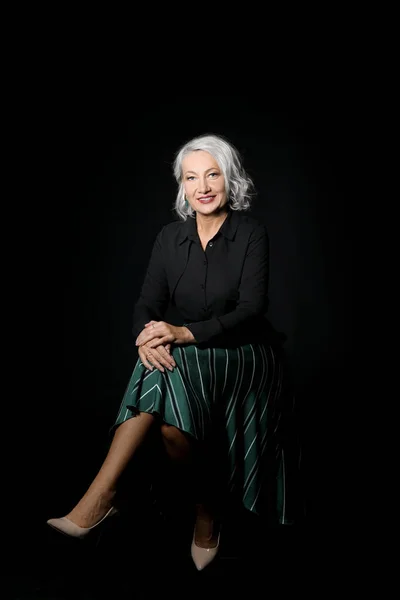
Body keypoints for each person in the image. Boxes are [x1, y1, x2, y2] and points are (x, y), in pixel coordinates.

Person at [47, 133, 297, 571]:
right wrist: (146, 336)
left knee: (167, 364)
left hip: (248, 355)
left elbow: (252, 310)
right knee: (166, 418)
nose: (202, 186)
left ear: (229, 179)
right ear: (181, 186)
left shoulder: (250, 233)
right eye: (191, 177)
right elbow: (147, 302)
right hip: (187, 357)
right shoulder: (169, 237)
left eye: (212, 175)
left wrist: (181, 333)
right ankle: (207, 512)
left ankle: (100, 499)